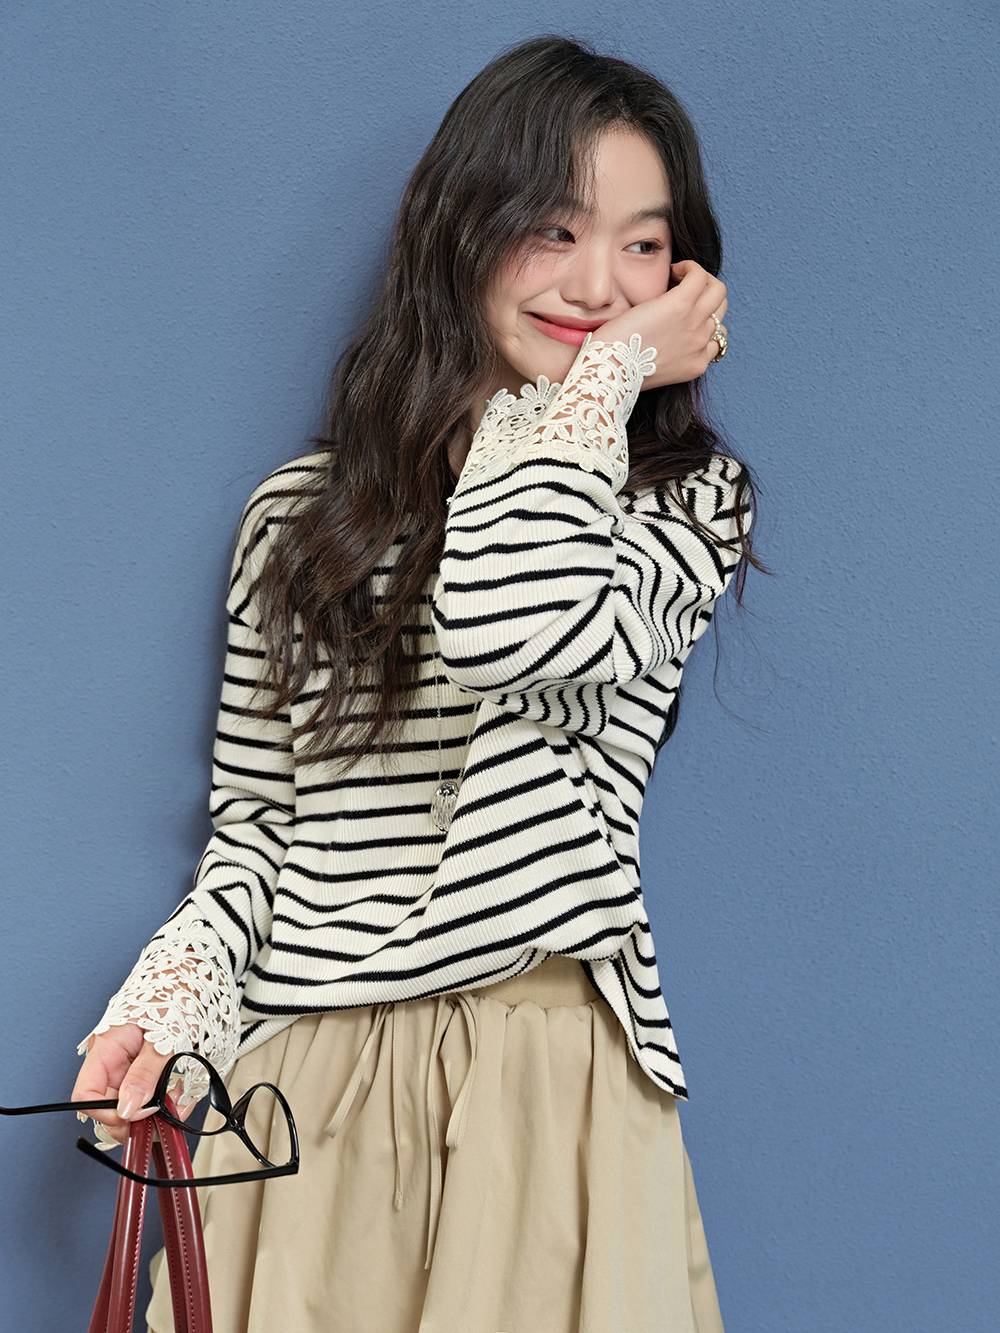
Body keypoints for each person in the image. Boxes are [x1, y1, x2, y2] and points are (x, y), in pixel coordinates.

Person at [72, 32, 761, 1333]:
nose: (598, 284)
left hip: (545, 1079)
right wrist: (170, 1006)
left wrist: (602, 383)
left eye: (643, 245)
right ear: (463, 233)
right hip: (307, 1086)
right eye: (553, 229)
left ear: (685, 280)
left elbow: (508, 625)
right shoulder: (301, 521)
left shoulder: (680, 504)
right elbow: (260, 830)